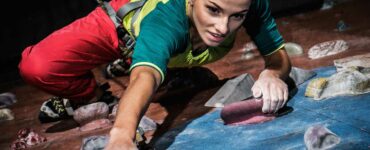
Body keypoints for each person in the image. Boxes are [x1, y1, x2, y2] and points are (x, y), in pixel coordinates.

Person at [18, 0, 291, 148]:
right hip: (119, 28)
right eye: (213, 9)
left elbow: (278, 57)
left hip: (166, 47)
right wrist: (122, 135)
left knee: (164, 59)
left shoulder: (249, 4)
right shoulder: (165, 19)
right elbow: (144, 77)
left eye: (237, 17)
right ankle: (89, 95)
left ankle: (169, 68)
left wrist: (272, 73)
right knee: (38, 66)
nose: (222, 27)